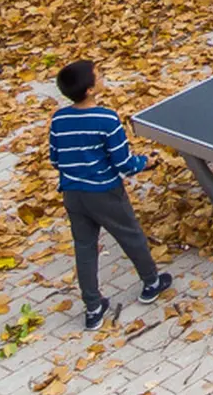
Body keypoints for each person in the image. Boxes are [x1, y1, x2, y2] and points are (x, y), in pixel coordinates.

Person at [48, 58, 171, 329]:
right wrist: (146, 162)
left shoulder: (59, 119)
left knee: (85, 247)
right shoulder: (106, 119)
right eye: (99, 74)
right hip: (104, 192)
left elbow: (55, 158)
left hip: (72, 194)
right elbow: (123, 163)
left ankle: (93, 308)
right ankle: (151, 282)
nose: (103, 76)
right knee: (130, 235)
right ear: (90, 90)